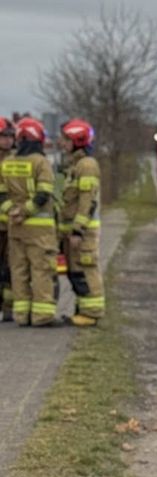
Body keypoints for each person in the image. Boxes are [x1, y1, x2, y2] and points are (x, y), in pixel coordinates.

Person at [0, 117, 59, 327]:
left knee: (18, 271)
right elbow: (44, 193)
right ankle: (42, 316)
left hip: (15, 227)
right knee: (41, 270)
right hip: (39, 230)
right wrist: (25, 211)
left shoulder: (8, 163)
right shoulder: (41, 162)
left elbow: (1, 195)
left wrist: (12, 213)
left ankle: (21, 315)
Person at [59, 118, 103, 326]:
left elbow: (87, 201)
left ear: (77, 141)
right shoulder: (76, 164)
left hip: (83, 232)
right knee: (76, 271)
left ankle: (92, 313)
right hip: (73, 232)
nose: (62, 143)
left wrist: (78, 230)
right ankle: (82, 309)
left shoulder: (87, 165)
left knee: (86, 269)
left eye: (66, 140)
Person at [0, 117, 14, 321]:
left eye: (10, 136)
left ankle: (9, 309)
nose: (8, 140)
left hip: (12, 225)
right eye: (3, 136)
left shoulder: (17, 160)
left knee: (11, 269)